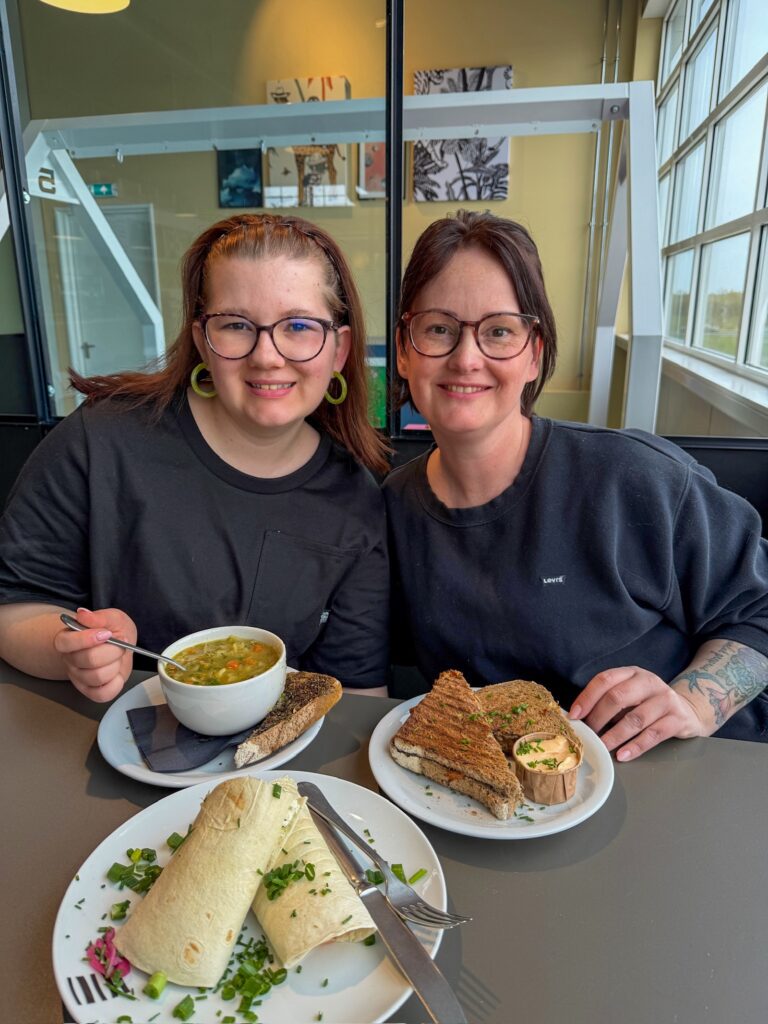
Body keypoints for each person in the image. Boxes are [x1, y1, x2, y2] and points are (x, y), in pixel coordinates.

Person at [384, 209, 768, 758]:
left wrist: (694, 702)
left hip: (680, 772)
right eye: (439, 329)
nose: (466, 358)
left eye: (498, 331)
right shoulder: (391, 512)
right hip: (506, 809)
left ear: (534, 353)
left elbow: (759, 605)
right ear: (404, 348)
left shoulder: (631, 478)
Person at [0, 213, 390, 701]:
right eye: (236, 325)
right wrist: (74, 652)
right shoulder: (101, 441)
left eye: (297, 326)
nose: (267, 355)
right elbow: (14, 609)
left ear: (338, 349)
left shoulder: (354, 499)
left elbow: (354, 696)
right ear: (203, 339)